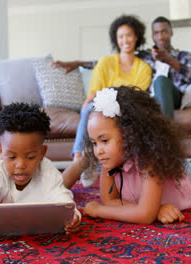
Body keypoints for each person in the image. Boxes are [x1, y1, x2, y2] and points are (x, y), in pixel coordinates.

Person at [82, 86, 191, 224]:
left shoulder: (149, 159)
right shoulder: (108, 159)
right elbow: (110, 201)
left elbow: (144, 215)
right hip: (165, 175)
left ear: (129, 134)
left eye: (104, 141)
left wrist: (98, 211)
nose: (98, 151)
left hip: (189, 180)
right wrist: (156, 210)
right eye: (94, 143)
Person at [61, 14, 152, 189]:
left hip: (126, 108)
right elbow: (94, 92)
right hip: (101, 106)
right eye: (120, 36)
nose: (125, 40)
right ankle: (80, 159)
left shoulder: (144, 68)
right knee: (89, 108)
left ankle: (87, 161)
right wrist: (89, 101)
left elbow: (136, 96)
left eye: (128, 35)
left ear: (136, 37)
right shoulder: (105, 62)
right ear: (116, 40)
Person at [0, 102, 81, 241]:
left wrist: (73, 217)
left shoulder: (48, 170)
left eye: (30, 157)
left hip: (25, 181)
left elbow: (65, 203)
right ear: (1, 151)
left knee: (60, 183)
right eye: (12, 157)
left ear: (42, 153)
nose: (20, 165)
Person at [52, 16, 191, 118]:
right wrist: (79, 63)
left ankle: (167, 134)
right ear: (152, 36)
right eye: (156, 33)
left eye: (164, 31)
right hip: (151, 101)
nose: (160, 36)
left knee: (160, 81)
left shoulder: (183, 56)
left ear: (171, 33)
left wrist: (169, 60)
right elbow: (109, 62)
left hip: (173, 97)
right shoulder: (146, 56)